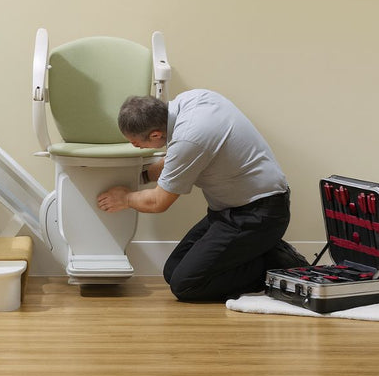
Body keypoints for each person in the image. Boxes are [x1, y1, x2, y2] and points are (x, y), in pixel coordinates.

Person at [97, 89, 309, 302]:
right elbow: (177, 161)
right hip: (230, 210)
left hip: (259, 213)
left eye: (135, 142)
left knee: (186, 285)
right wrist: (139, 176)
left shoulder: (190, 138)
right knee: (173, 272)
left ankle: (275, 265)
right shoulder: (194, 100)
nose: (135, 146)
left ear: (155, 135)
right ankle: (262, 249)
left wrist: (124, 199)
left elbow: (158, 202)